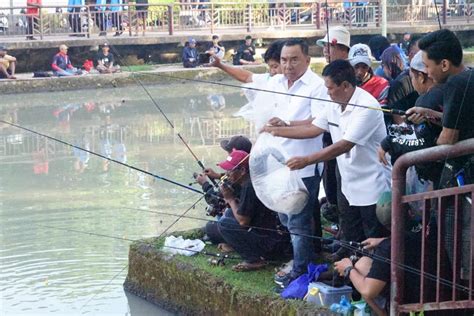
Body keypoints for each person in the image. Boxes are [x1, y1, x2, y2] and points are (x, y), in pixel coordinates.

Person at [262, 60, 391, 262]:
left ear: (346, 86)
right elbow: (314, 127)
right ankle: (351, 274)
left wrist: (306, 160)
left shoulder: (367, 106)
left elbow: (343, 145)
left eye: (330, 88)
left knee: (372, 235)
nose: (327, 92)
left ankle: (374, 281)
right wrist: (280, 128)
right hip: (349, 181)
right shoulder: (334, 102)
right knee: (352, 231)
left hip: (372, 183)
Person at [259, 39, 326, 286]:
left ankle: (301, 270)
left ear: (307, 60)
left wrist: (281, 130)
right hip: (276, 164)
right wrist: (273, 126)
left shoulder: (316, 86)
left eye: (294, 59)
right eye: (285, 60)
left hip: (304, 164)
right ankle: (304, 259)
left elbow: (316, 127)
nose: (288, 65)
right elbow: (267, 115)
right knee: (285, 217)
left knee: (298, 219)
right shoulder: (274, 82)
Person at [413, 29, 473, 281]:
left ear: (445, 64)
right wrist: (432, 115)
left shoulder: (456, 85)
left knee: (457, 249)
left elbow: (448, 139)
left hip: (462, 182)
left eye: (427, 65)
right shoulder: (469, 76)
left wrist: (417, 149)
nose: (426, 72)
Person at [217, 149, 291, 272]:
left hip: (273, 243)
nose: (227, 173)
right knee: (229, 214)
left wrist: (230, 199)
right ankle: (238, 245)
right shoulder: (252, 181)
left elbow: (243, 222)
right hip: (277, 236)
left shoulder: (250, 187)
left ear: (242, 171)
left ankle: (254, 260)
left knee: (224, 224)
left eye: (230, 170)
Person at [378, 50, 443, 174]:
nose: (412, 82)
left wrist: (388, 142)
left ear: (421, 77)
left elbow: (422, 138)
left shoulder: (426, 100)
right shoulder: (451, 89)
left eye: (411, 77)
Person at [196, 135, 253, 245]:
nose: (227, 173)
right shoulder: (250, 174)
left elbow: (216, 200)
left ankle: (233, 242)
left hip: (247, 228)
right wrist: (218, 176)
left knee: (211, 227)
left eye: (229, 152)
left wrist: (205, 184)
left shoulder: (245, 186)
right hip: (247, 221)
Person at [381, 46, 418, 124]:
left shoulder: (395, 85)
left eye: (383, 65)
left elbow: (398, 121)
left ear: (388, 66)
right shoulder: (415, 75)